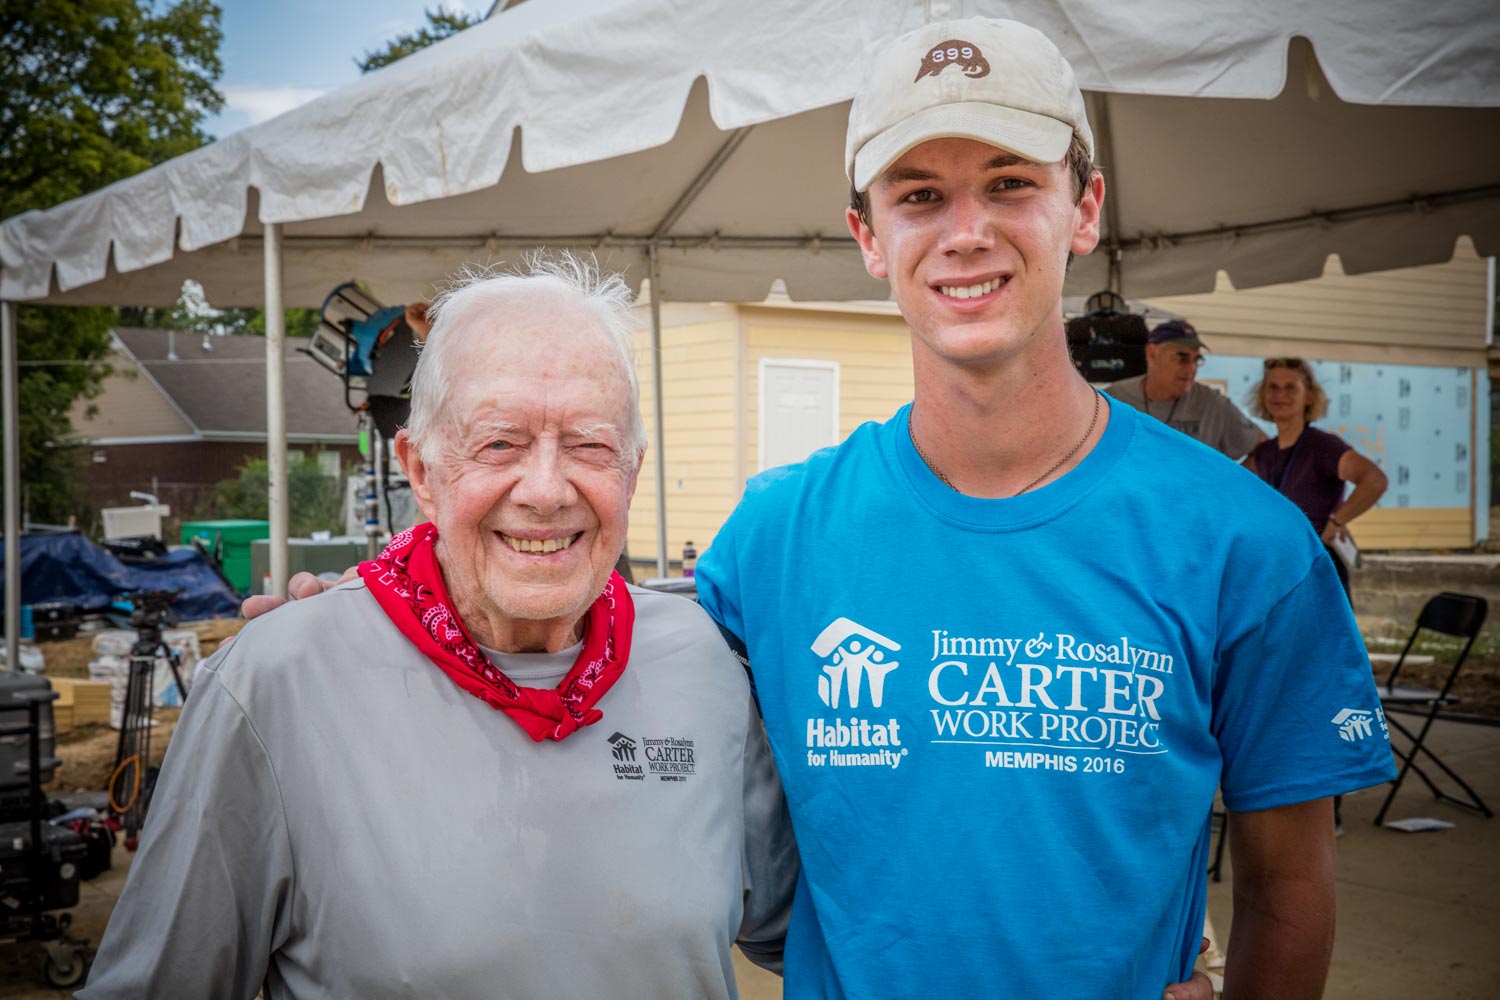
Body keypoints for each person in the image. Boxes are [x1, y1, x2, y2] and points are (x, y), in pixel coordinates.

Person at [693, 17, 1395, 1000]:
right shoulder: (770, 540)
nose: (966, 229)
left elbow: (1288, 887)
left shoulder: (1246, 543)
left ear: (1085, 207)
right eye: (920, 194)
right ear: (867, 234)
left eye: (1011, 181)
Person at [79, 256, 796, 999]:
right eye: (499, 443)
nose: (547, 491)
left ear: (633, 471)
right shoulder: (276, 686)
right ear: (420, 470)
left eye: (589, 444)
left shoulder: (701, 661)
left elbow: (809, 928)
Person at [1245, 357, 1389, 595]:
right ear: (1263, 396)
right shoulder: (1263, 453)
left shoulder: (1323, 446)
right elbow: (1231, 492)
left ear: (1309, 397)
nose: (1280, 395)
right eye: (1273, 387)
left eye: (1290, 387)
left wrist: (1336, 522)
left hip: (1317, 564)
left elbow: (1375, 481)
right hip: (1279, 566)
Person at [1107, 319, 1267, 459]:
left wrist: (1228, 485)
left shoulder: (1212, 405)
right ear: (1152, 353)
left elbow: (1265, 447)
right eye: (1182, 358)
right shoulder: (1114, 398)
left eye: (1196, 360)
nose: (1191, 368)